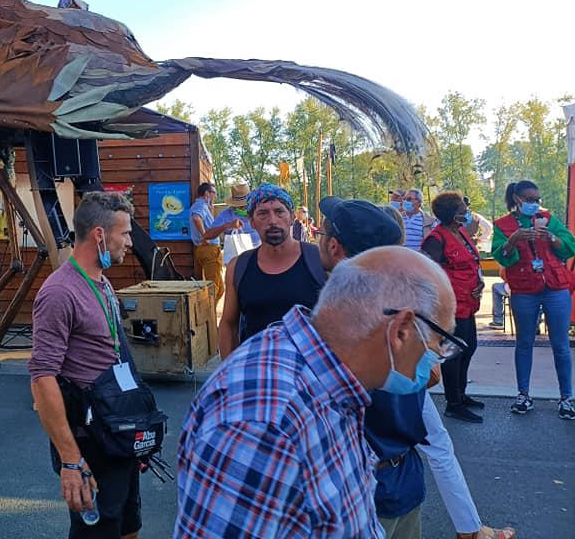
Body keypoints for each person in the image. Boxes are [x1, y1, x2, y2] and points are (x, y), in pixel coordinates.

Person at [176, 246, 455, 538]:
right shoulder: (263, 422)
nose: (434, 360)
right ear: (401, 331)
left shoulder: (329, 381)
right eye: (437, 346)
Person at [317, 197, 514, 539]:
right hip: (372, 485)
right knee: (433, 446)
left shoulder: (331, 308)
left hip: (375, 483)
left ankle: (470, 528)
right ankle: (470, 529)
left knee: (432, 446)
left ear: (334, 248)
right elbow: (429, 371)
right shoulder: (363, 302)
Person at [29, 191, 143, 539]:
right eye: (124, 233)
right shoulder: (59, 292)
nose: (129, 241)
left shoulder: (102, 282)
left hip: (117, 433)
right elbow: (42, 378)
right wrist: (70, 460)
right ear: (99, 235)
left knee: (127, 527)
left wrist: (135, 434)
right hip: (90, 441)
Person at [492, 180, 575, 420]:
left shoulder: (548, 218)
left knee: (560, 345)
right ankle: (523, 395)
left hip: (555, 287)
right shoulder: (503, 225)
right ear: (517, 200)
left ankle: (566, 398)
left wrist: (552, 238)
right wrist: (513, 240)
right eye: (529, 200)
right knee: (524, 343)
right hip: (525, 289)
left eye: (536, 199)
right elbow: (503, 257)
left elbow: (569, 247)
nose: (534, 204)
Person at [218, 184, 325, 357]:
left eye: (279, 211)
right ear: (251, 222)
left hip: (310, 377)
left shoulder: (319, 261)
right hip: (257, 375)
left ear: (291, 217)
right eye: (263, 213)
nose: (272, 220)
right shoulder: (238, 267)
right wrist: (228, 375)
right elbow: (228, 324)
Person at [421, 191, 485, 423]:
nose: (466, 213)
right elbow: (427, 272)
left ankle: (461, 393)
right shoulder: (436, 239)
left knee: (469, 348)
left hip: (468, 303)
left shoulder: (460, 234)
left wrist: (479, 282)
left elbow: (472, 264)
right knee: (453, 354)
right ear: (450, 214)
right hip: (450, 307)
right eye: (462, 211)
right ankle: (453, 403)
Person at [189, 182, 240, 303]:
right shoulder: (200, 205)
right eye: (214, 193)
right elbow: (196, 218)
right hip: (209, 249)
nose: (215, 196)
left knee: (219, 288)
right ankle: (207, 316)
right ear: (207, 193)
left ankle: (208, 314)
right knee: (214, 288)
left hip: (205, 249)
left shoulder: (203, 206)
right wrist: (205, 236)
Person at [212, 182, 261, 246]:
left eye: (245, 205)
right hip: (236, 255)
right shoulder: (226, 214)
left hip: (259, 252)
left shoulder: (259, 211)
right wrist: (227, 226)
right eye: (240, 205)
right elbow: (207, 235)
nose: (243, 208)